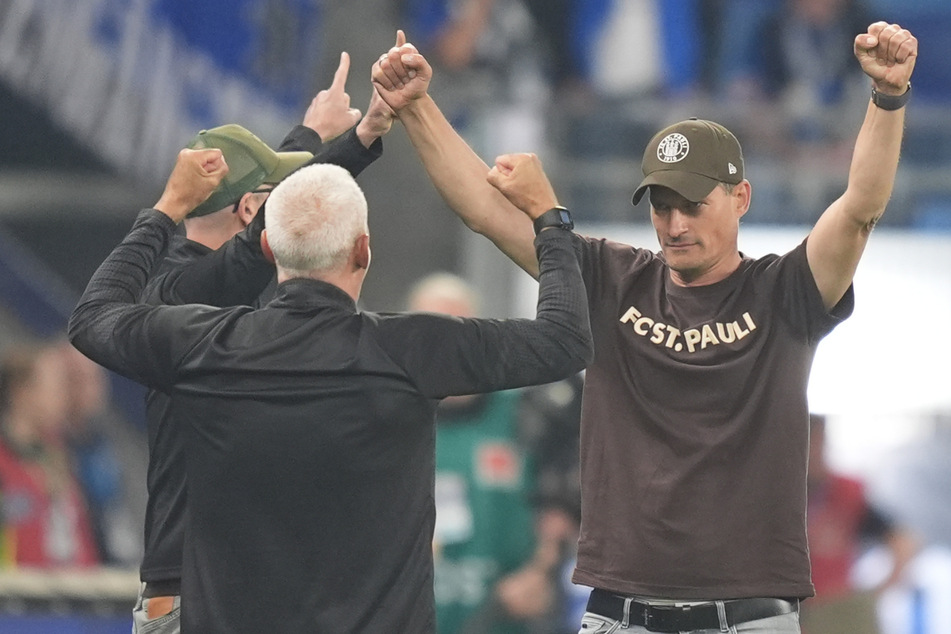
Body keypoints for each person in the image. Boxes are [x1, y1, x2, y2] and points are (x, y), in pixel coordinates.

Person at [371, 20, 917, 634]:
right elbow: (485, 209)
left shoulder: (785, 290)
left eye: (692, 204)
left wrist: (887, 98)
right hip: (619, 615)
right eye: (661, 205)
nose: (675, 223)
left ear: (741, 198)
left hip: (748, 619)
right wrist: (416, 106)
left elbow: (861, 209)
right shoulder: (610, 276)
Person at [68, 141, 592, 632]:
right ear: (363, 250)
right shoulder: (414, 349)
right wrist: (548, 219)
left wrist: (167, 209)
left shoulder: (201, 344)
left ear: (269, 248)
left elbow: (93, 317)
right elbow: (566, 339)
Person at [129, 52, 393, 632]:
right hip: (191, 599)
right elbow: (280, 225)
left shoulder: (187, 276)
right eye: (272, 198)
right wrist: (360, 138)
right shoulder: (181, 294)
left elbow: (261, 212)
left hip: (222, 588)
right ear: (252, 211)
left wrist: (320, 133)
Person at [407, 272, 561, 634]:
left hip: (501, 622)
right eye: (431, 337)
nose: (446, 350)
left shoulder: (527, 415)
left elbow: (564, 510)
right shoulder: (382, 421)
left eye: (459, 334)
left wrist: (543, 573)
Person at [800, 413, 918, 634]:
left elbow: (904, 541)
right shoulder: (779, 495)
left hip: (836, 608)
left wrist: (879, 589)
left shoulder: (845, 493)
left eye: (817, 440)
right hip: (791, 609)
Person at [0, 342, 99, 568]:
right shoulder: (4, 464)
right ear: (23, 392)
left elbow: (80, 541)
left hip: (74, 595)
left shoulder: (61, 456)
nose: (63, 399)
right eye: (55, 388)